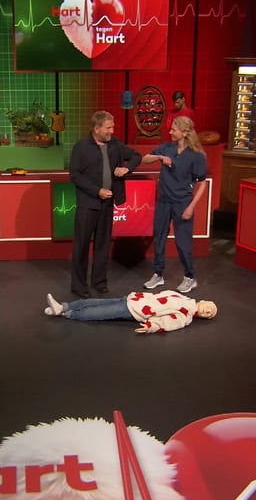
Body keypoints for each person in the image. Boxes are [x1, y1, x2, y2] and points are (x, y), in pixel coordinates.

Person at [68, 111, 142, 298]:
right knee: (81, 246)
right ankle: (79, 286)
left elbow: (136, 156)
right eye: (108, 127)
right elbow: (75, 175)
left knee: (102, 245)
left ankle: (99, 282)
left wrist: (127, 168)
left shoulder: (115, 144)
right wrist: (97, 191)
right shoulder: (81, 147)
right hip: (88, 204)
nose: (112, 131)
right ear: (97, 128)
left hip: (107, 204)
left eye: (112, 127)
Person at [139, 115, 207, 293]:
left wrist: (191, 207)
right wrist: (160, 157)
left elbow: (202, 183)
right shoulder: (167, 148)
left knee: (183, 242)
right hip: (164, 201)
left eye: (174, 130)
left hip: (182, 202)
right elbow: (144, 158)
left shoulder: (196, 155)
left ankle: (190, 277)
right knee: (159, 238)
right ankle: (158, 274)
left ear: (184, 132)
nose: (170, 132)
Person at [41, 291, 217, 334]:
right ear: (203, 301)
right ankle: (64, 306)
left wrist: (152, 326)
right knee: (95, 302)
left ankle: (66, 314)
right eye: (210, 307)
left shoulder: (186, 315)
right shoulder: (183, 298)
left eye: (209, 314)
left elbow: (170, 322)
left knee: (99, 313)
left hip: (135, 310)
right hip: (133, 299)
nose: (208, 311)